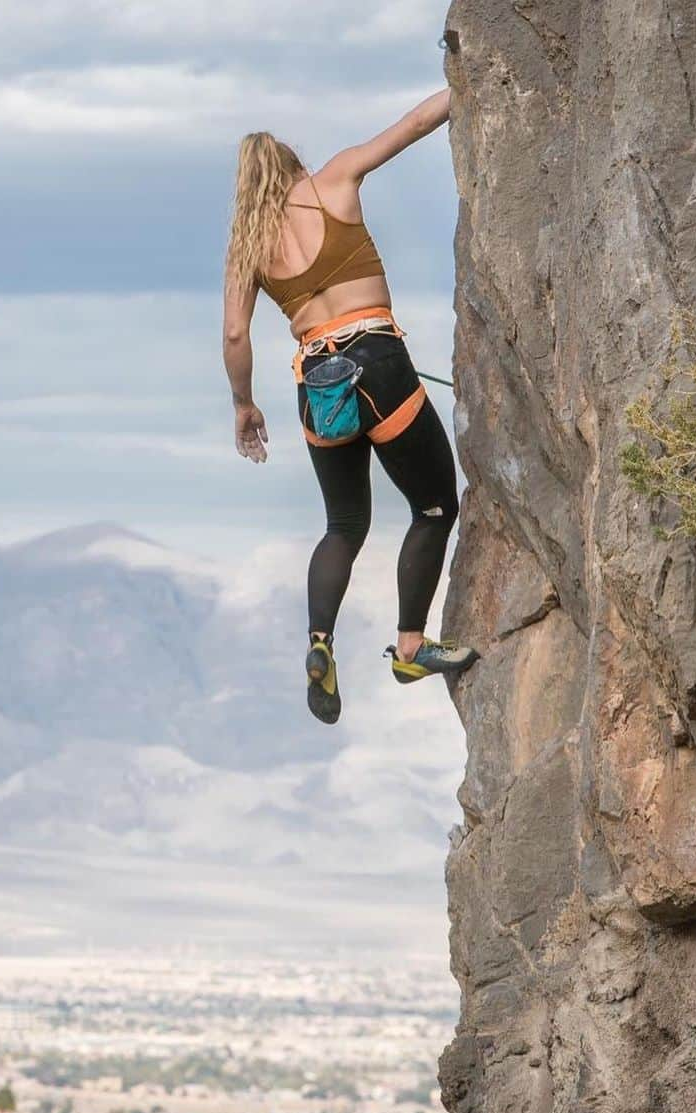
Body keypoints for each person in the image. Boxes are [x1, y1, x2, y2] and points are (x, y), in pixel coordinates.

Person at [222, 89, 479, 724]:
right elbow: (415, 122)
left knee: (343, 527)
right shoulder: (333, 179)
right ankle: (412, 647)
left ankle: (320, 644)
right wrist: (467, 73)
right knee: (434, 505)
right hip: (379, 364)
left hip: (318, 384)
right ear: (289, 165)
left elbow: (234, 335)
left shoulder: (246, 249)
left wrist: (244, 406)